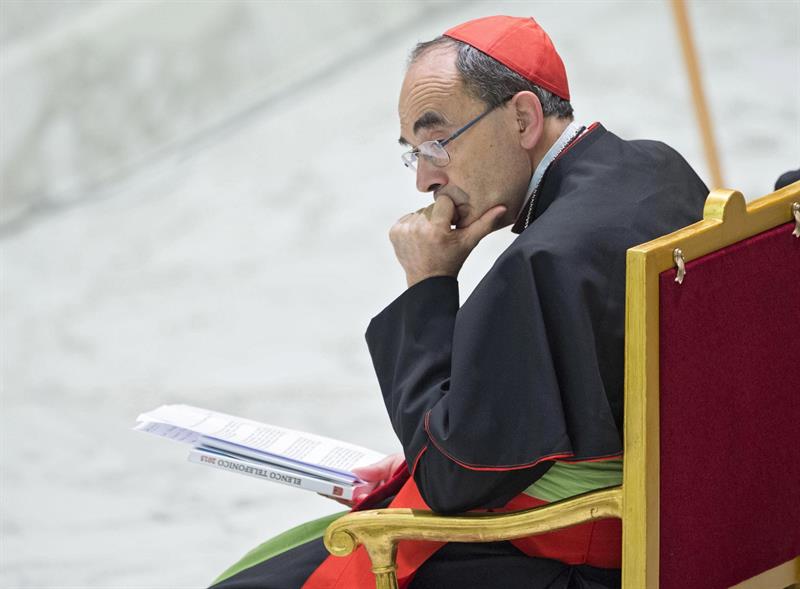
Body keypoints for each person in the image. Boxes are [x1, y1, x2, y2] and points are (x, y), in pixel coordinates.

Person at [210, 15, 708, 589]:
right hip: (692, 525)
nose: (424, 180)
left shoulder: (543, 262)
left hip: (577, 558)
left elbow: (451, 476)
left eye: (438, 143)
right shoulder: (656, 167)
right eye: (414, 153)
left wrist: (427, 286)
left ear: (522, 118)